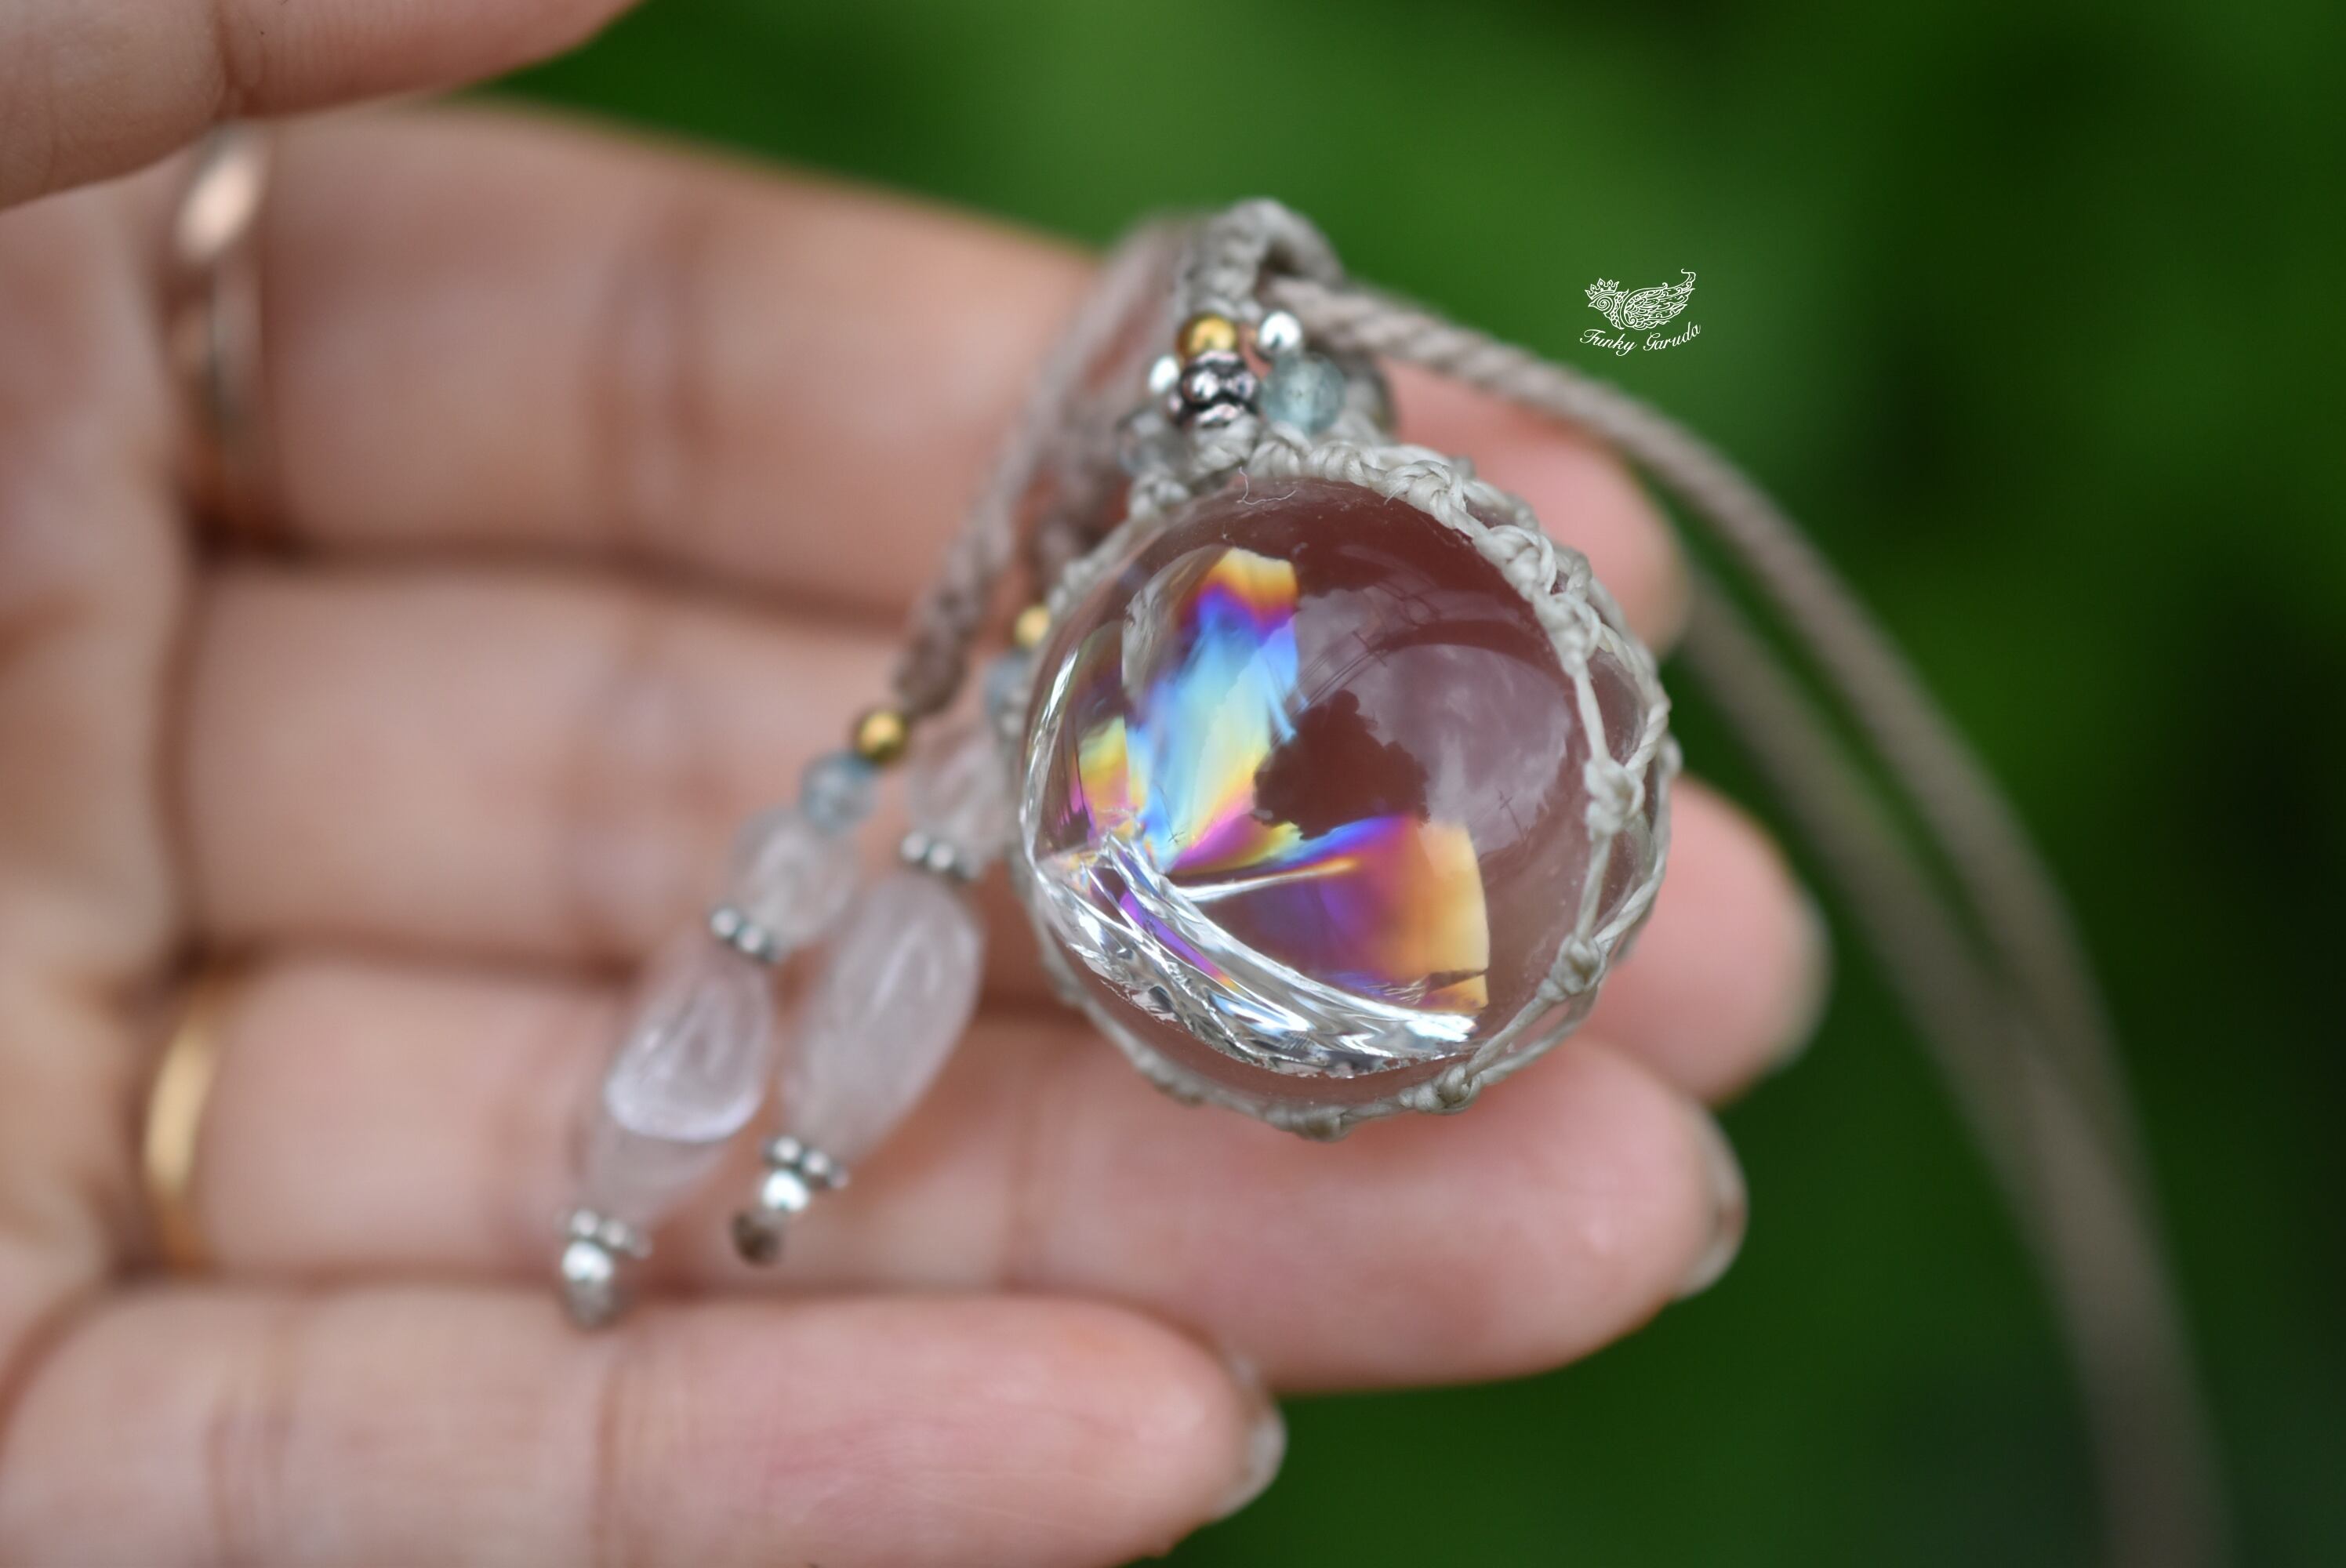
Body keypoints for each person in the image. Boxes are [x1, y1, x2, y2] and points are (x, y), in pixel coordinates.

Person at [0, 4, 1825, 1562]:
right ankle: (687, 1188)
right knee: (886, 815)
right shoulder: (1175, 654)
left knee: (925, 811)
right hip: (1158, 742)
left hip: (1255, 833)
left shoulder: (1332, 689)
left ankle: (732, 1184)